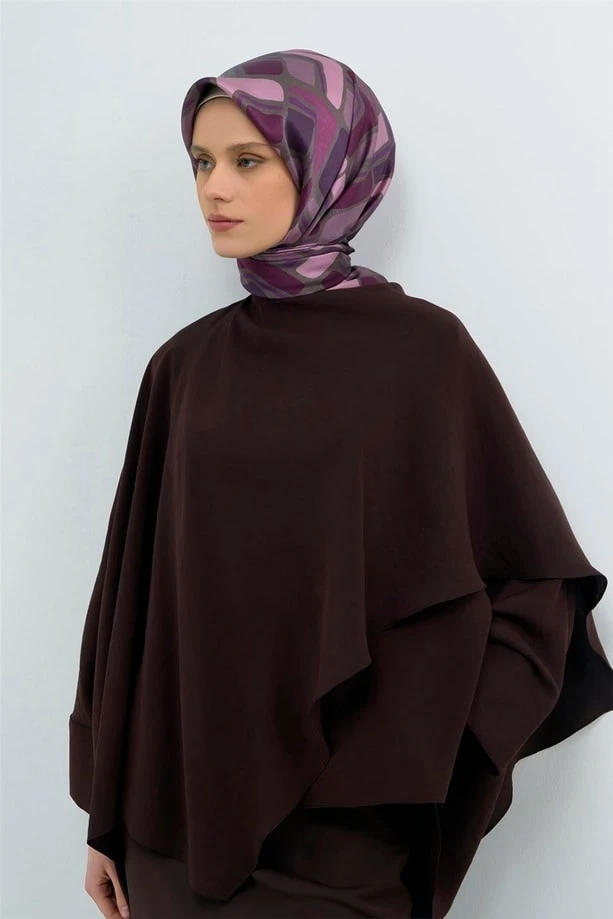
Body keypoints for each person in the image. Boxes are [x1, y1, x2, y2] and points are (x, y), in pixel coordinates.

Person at [70, 49, 612, 919]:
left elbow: (534, 578)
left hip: (346, 841)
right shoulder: (184, 368)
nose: (214, 188)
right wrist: (105, 818)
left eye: (248, 160)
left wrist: (417, 752)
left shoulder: (421, 354)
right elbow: (129, 607)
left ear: (329, 166)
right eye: (201, 162)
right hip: (175, 825)